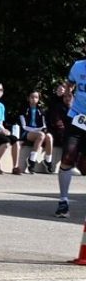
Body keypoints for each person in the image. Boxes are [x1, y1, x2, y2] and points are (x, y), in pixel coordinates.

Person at [56, 61, 86, 218]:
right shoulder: (78, 66)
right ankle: (63, 201)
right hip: (76, 118)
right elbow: (70, 83)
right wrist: (68, 94)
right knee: (67, 157)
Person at [18, 90, 54, 174]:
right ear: (28, 98)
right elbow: (24, 126)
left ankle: (48, 161)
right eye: (32, 97)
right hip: (26, 132)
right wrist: (38, 130)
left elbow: (44, 125)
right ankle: (31, 160)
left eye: (36, 97)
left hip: (38, 132)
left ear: (38, 99)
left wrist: (41, 130)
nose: (34, 99)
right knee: (41, 135)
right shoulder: (24, 109)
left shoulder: (41, 110)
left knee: (49, 137)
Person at [46, 83, 68, 154]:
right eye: (58, 89)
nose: (60, 91)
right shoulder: (52, 100)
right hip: (52, 126)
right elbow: (49, 114)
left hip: (63, 127)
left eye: (62, 90)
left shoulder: (66, 102)